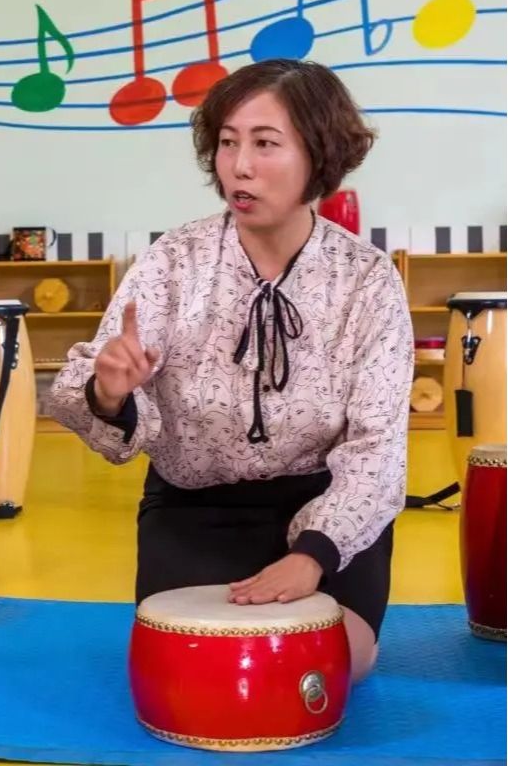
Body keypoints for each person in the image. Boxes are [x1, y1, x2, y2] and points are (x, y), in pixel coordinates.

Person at [49, 59, 414, 683]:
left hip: (325, 506)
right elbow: (86, 386)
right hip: (194, 511)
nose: (239, 166)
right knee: (199, 673)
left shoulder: (367, 278)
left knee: (328, 666)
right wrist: (108, 393)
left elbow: (378, 447)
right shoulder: (173, 261)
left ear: (319, 155)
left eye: (265, 144)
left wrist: (312, 556)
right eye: (227, 142)